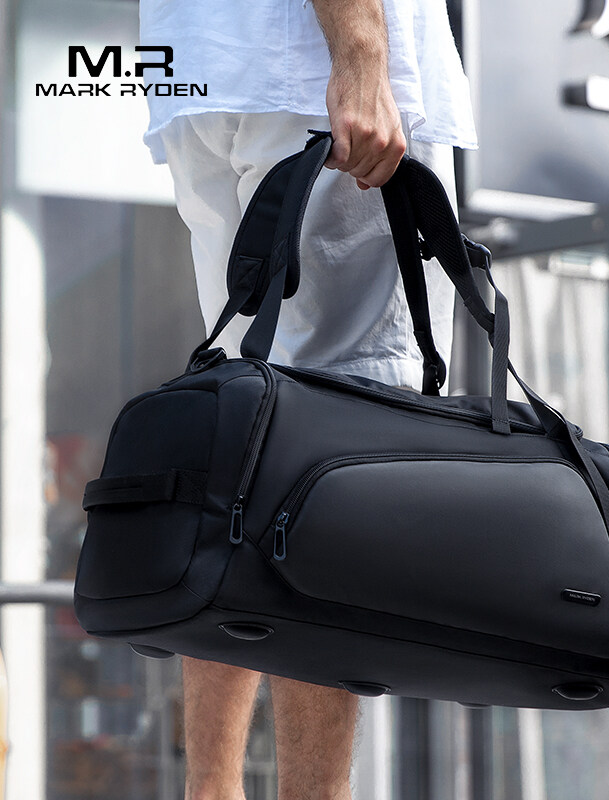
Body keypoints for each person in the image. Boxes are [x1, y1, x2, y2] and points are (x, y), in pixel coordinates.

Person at [138, 1, 477, 798]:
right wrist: (360, 52)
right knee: (335, 456)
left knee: (238, 435)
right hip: (309, 69)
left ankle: (210, 789)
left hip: (213, 65)